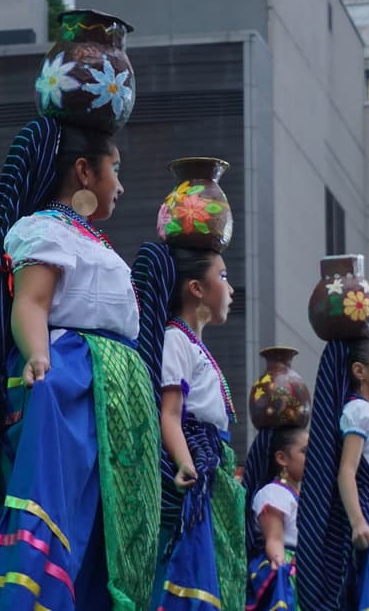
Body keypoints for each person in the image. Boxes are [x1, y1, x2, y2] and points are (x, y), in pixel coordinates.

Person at [0, 112, 160, 609]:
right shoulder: (43, 228)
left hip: (111, 396)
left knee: (106, 531)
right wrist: (38, 358)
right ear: (85, 172)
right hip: (72, 387)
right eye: (116, 170)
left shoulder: (89, 238)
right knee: (64, 515)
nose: (122, 186)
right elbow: (32, 301)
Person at [133, 237, 245, 609]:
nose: (230, 288)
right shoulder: (176, 339)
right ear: (197, 289)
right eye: (223, 276)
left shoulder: (193, 344)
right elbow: (170, 414)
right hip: (198, 455)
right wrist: (185, 462)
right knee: (195, 566)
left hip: (213, 457)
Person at [297, 338, 369, 611]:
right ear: (359, 371)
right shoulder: (359, 410)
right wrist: (359, 522)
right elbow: (347, 471)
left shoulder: (365, 411)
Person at [244, 425, 308, 610]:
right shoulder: (274, 493)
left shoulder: (301, 496)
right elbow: (274, 539)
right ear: (282, 458)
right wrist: (281, 565)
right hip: (288, 569)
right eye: (305, 451)